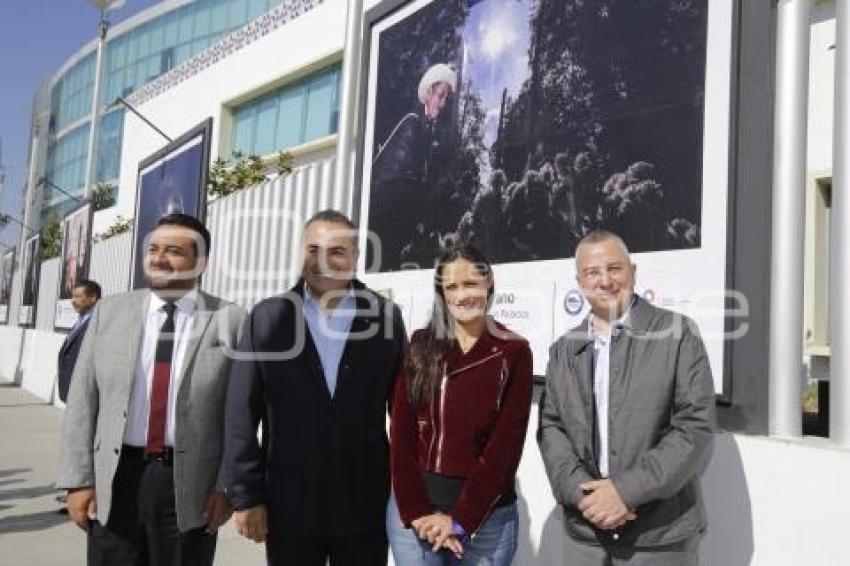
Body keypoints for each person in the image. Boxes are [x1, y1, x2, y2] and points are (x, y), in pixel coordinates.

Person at [57, 213, 247, 566]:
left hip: (190, 486)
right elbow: (83, 400)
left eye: (173, 250)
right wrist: (78, 480)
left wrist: (226, 486)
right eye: (153, 248)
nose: (158, 258)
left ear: (200, 263)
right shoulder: (110, 312)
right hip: (115, 478)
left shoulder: (231, 320)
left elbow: (239, 414)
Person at [224, 209, 407, 566]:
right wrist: (246, 495)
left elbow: (402, 409)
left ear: (355, 257)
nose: (322, 261)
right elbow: (241, 412)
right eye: (313, 250)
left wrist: (407, 492)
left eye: (336, 251)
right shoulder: (268, 317)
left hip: (363, 503)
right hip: (289, 503)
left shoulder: (385, 316)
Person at [538, 229, 715, 565]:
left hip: (659, 539)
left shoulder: (678, 335)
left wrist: (624, 492)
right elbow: (552, 428)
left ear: (633, 271)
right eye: (592, 272)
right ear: (580, 281)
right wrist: (585, 496)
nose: (605, 281)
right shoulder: (564, 349)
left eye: (614, 268)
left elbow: (694, 428)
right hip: (585, 535)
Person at [387, 244, 533, 565]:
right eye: (451, 287)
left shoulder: (513, 352)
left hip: (487, 521)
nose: (461, 295)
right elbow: (401, 433)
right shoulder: (420, 346)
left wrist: (461, 520)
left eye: (470, 284)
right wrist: (417, 512)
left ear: (489, 281)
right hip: (417, 517)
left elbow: (504, 448)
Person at [369, 63, 457, 271]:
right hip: (385, 228)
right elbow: (386, 179)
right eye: (440, 95)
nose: (443, 104)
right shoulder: (412, 124)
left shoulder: (426, 130)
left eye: (446, 98)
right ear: (428, 93)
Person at [57, 279, 101, 404]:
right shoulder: (81, 319)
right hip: (72, 390)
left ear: (92, 298)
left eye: (77, 296)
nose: (73, 301)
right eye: (72, 296)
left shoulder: (98, 322)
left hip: (83, 392)